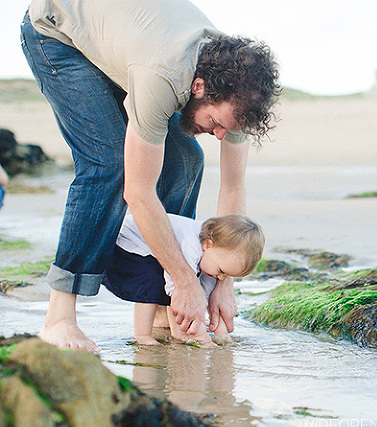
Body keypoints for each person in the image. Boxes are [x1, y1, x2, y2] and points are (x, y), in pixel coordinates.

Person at [20, 0, 280, 352]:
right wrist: (186, 281)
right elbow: (138, 192)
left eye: (228, 129)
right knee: (108, 163)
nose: (220, 135)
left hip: (127, 45)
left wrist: (223, 283)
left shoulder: (238, 95)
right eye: (216, 123)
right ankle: (59, 318)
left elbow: (233, 189)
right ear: (199, 87)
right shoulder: (164, 75)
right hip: (59, 33)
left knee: (186, 158)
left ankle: (163, 305)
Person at [102, 214, 265, 346]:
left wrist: (220, 331)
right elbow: (181, 295)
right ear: (208, 245)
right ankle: (142, 335)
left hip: (148, 247)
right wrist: (200, 334)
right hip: (125, 244)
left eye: (227, 275)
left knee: (174, 288)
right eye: (221, 271)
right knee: (152, 284)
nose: (221, 278)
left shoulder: (213, 253)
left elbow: (201, 297)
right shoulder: (191, 245)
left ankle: (178, 334)